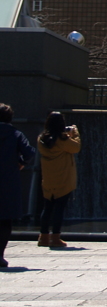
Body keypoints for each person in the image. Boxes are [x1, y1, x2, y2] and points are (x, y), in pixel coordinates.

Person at [37, 111, 82, 248]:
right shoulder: (62, 140)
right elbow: (76, 147)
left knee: (47, 207)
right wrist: (75, 134)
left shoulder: (41, 139)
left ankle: (43, 236)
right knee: (59, 208)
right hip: (63, 178)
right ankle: (56, 237)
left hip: (48, 178)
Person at [0, 103, 36, 268]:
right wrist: (20, 162)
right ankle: (0, 255)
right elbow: (30, 153)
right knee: (5, 221)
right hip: (8, 182)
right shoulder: (16, 134)